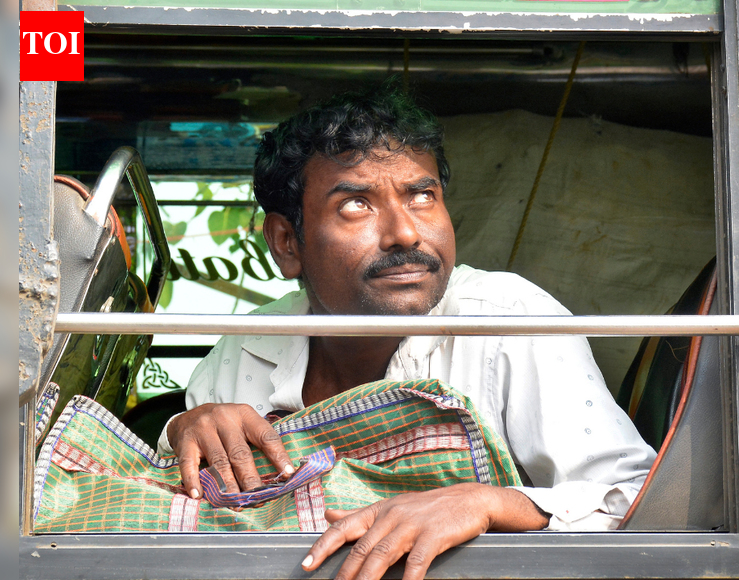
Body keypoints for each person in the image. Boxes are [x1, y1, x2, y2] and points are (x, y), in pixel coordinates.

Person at [158, 84, 656, 580]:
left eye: (422, 196)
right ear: (288, 242)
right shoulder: (244, 348)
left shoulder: (507, 319)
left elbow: (638, 499)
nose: (406, 233)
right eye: (356, 204)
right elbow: (175, 520)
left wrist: (487, 504)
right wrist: (183, 434)